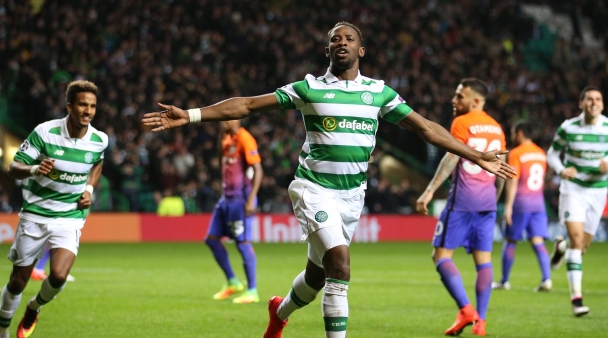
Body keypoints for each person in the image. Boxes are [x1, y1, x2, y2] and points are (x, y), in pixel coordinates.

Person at [142, 22, 515, 338]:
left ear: (361, 50)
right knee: (341, 264)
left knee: (316, 277)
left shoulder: (378, 93)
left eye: (348, 38)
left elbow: (428, 129)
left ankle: (279, 312)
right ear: (327, 49)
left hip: (352, 197)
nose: (341, 42)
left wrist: (477, 155)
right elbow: (249, 105)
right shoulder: (310, 89)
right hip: (312, 189)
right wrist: (190, 115)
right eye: (335, 38)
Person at [0, 80, 107, 338]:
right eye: (82, 105)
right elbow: (13, 168)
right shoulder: (44, 132)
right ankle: (2, 331)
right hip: (36, 214)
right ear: (70, 106)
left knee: (58, 275)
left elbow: (97, 163)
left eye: (92, 106)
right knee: (17, 282)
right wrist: (35, 168)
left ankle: (34, 307)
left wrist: (89, 190)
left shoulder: (99, 139)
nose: (88, 111)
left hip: (70, 216)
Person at [415, 78, 507, 336]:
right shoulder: (497, 128)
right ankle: (482, 322)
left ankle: (466, 309)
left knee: (441, 256)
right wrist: (494, 200)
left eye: (459, 97)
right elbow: (501, 169)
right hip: (487, 203)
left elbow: (452, 155)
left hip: (462, 202)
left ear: (475, 101)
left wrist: (430, 190)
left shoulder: (462, 122)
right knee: (484, 263)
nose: (454, 101)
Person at [547, 85, 607, 317]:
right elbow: (552, 154)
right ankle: (577, 300)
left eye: (598, 99)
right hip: (573, 190)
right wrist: (561, 170)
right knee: (577, 239)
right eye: (589, 99)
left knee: (582, 246)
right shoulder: (568, 127)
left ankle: (561, 248)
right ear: (581, 104)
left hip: (598, 191)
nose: (594, 103)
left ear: (602, 104)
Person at [205, 119, 263, 304]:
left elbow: (258, 170)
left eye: (227, 117)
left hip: (241, 199)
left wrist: (251, 199)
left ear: (237, 119)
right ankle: (233, 282)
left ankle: (252, 291)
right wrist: (220, 138)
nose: (223, 120)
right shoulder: (226, 138)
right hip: (226, 198)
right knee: (211, 240)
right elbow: (222, 160)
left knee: (242, 243)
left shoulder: (245, 138)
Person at [492, 120, 551, 292]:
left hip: (521, 203)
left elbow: (513, 180)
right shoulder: (541, 153)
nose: (511, 136)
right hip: (538, 203)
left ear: (519, 133)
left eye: (512, 133)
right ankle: (546, 279)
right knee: (537, 241)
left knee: (510, 241)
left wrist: (508, 206)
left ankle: (504, 281)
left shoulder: (517, 153)